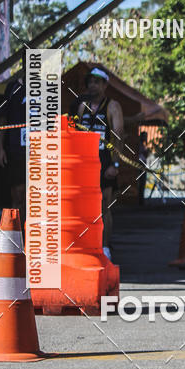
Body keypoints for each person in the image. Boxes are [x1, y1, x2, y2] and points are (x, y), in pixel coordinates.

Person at [71, 67, 123, 260]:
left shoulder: (112, 106)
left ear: (104, 85)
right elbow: (75, 134)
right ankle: (87, 245)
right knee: (84, 209)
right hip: (85, 165)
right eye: (90, 82)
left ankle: (105, 247)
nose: (92, 86)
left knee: (104, 207)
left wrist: (115, 165)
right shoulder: (82, 106)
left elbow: (119, 136)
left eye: (96, 82)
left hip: (105, 163)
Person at [0, 63, 26, 226]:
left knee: (35, 196)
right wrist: (0, 148)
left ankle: (33, 236)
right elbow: (3, 118)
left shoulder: (46, 89)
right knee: (17, 194)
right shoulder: (12, 88)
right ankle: (15, 236)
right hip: (16, 150)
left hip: (40, 150)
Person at [137, 131, 150, 205]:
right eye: (144, 136)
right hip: (139, 164)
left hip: (143, 164)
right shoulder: (139, 145)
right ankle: (139, 199)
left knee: (143, 182)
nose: (145, 138)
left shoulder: (144, 145)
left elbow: (146, 155)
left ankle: (141, 199)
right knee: (140, 182)